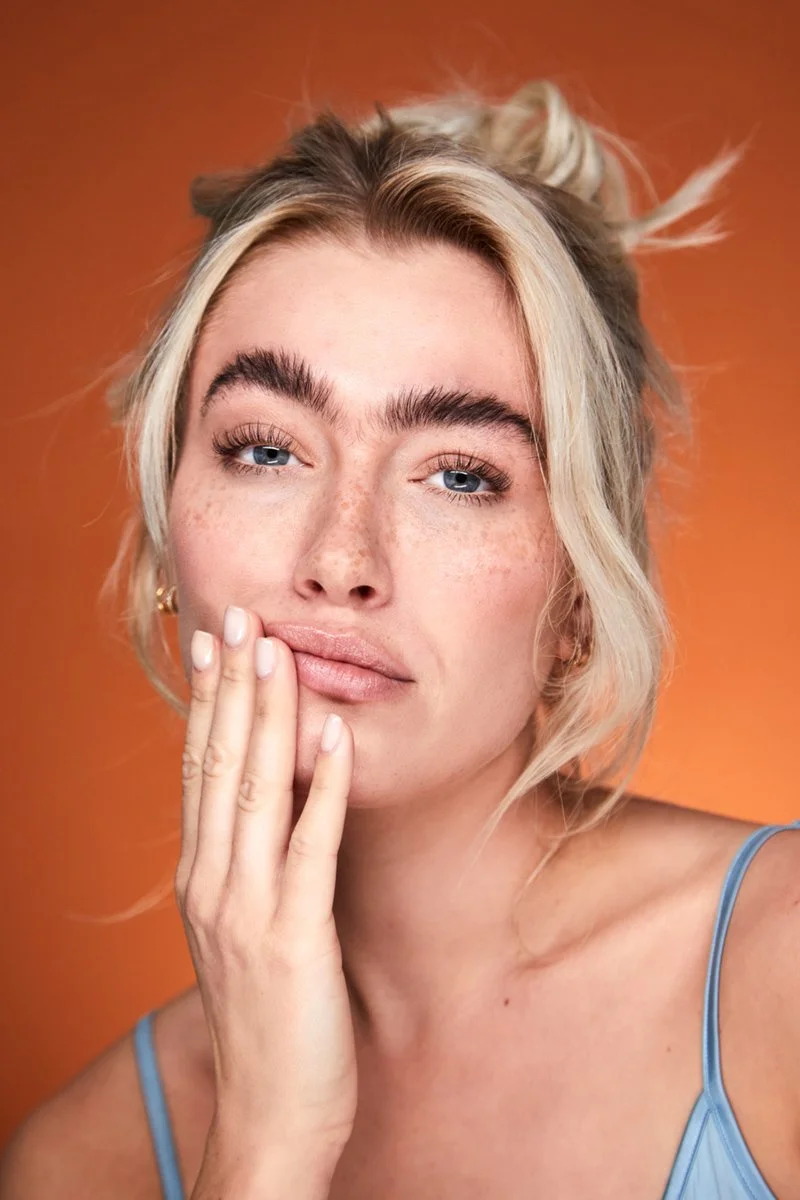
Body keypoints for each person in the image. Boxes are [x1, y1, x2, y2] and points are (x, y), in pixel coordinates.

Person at [2, 78, 798, 1200]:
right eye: (266, 450)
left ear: (580, 590)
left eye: (460, 475)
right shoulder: (82, 1163)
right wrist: (265, 1140)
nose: (341, 557)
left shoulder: (783, 970)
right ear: (161, 536)